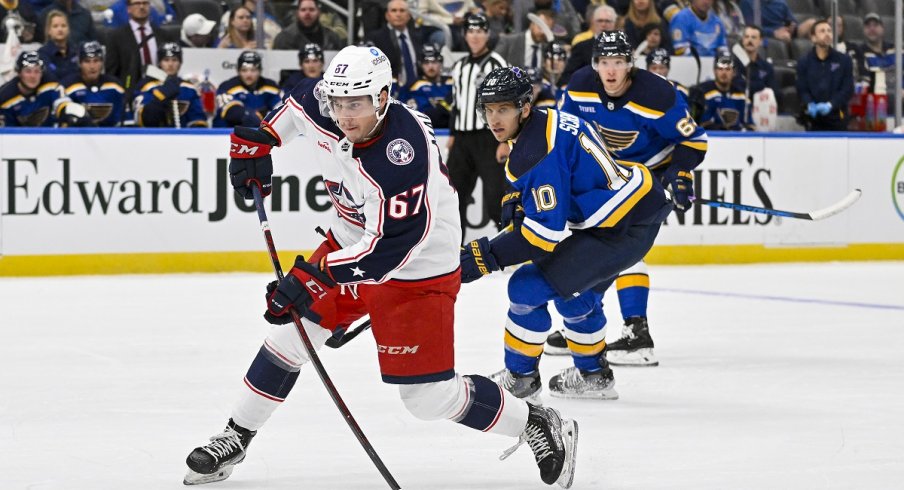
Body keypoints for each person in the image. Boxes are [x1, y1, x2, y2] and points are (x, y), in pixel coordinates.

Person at [183, 45, 579, 489]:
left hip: (417, 269)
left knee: (427, 398)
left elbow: (389, 250)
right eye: (338, 103)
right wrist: (263, 139)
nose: (345, 116)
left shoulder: (402, 153)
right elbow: (296, 107)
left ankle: (534, 422)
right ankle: (236, 435)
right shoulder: (325, 101)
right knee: (288, 336)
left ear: (383, 96)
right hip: (350, 245)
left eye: (357, 105)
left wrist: (314, 278)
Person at [460, 66, 672, 401]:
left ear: (524, 108)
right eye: (488, 110)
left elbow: (543, 236)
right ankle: (594, 376)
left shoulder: (533, 151)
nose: (494, 119)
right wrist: (521, 198)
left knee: (525, 288)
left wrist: (483, 258)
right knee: (575, 295)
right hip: (636, 211)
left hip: (616, 229)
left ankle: (521, 377)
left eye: (503, 109)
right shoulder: (548, 119)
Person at [549, 31, 707, 366]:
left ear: (629, 65)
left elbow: (694, 141)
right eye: (604, 62)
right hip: (610, 177)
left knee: (622, 247)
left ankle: (636, 333)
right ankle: (585, 324)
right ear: (595, 64)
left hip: (648, 179)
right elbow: (564, 133)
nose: (610, 71)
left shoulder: (657, 93)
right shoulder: (579, 85)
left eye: (618, 62)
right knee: (596, 248)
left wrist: (679, 173)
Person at [447, 13, 509, 240]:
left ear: (487, 34)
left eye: (480, 31)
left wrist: (504, 140)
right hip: (462, 139)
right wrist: (453, 134)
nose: (475, 36)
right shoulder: (459, 66)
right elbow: (457, 103)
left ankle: (509, 244)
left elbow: (507, 105)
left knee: (496, 195)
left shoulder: (497, 63)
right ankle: (454, 249)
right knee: (453, 196)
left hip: (489, 138)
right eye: (471, 31)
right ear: (464, 34)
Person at [103, 0, 175, 105]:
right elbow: (111, 71)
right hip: (130, 94)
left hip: (161, 92)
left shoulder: (163, 35)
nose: (141, 7)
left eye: (145, 3)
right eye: (137, 3)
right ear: (128, 8)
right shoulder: (116, 37)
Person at [0, 50, 90, 127]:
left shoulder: (50, 84)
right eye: (28, 71)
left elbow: (62, 103)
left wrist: (69, 114)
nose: (33, 76)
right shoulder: (5, 97)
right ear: (19, 73)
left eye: (37, 71)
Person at [796, 18, 853, 131]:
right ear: (813, 37)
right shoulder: (804, 62)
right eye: (822, 31)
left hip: (838, 118)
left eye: (829, 31)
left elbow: (848, 88)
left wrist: (831, 105)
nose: (827, 34)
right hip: (813, 119)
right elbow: (802, 89)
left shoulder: (844, 60)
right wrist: (809, 103)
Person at [133, 42, 207, 127]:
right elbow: (144, 119)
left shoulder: (189, 88)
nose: (170, 64)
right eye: (166, 60)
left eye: (174, 60)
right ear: (159, 63)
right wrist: (161, 96)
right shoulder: (147, 86)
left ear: (180, 63)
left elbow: (198, 119)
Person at [59, 40, 125, 126]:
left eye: (96, 61)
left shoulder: (115, 87)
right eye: (87, 61)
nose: (92, 66)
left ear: (102, 62)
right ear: (80, 63)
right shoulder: (67, 86)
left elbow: (124, 119)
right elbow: (61, 114)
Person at [212, 50, 281, 128]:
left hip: (259, 133)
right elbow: (233, 113)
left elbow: (281, 110)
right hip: (225, 134)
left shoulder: (271, 86)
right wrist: (259, 115)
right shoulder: (227, 87)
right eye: (244, 70)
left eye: (253, 70)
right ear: (238, 71)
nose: (249, 74)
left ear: (260, 71)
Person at [367, 0, 424, 90]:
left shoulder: (418, 37)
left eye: (402, 10)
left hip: (418, 92)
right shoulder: (375, 38)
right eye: (394, 10)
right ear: (387, 15)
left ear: (409, 15)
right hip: (390, 91)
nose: (398, 14)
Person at [692, 51, 753, 130]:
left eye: (727, 69)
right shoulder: (703, 92)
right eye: (720, 69)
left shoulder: (741, 96)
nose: (724, 73)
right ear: (715, 71)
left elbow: (750, 126)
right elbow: (700, 124)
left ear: (734, 72)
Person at [397, 43, 453, 128]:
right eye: (426, 63)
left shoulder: (452, 83)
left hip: (452, 130)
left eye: (434, 62)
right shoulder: (414, 87)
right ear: (421, 65)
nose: (430, 66)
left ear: (440, 63)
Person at [560, 4, 617, 86]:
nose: (603, 24)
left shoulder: (622, 48)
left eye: (607, 21)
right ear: (593, 22)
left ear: (614, 24)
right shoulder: (581, 47)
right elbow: (567, 76)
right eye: (600, 21)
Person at [272, 0, 342, 51]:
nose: (307, 13)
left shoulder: (332, 38)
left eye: (311, 10)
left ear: (319, 13)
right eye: (303, 10)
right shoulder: (284, 39)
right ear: (297, 13)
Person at [851, 13, 895, 94]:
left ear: (883, 28)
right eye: (868, 26)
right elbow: (864, 82)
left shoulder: (895, 49)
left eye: (875, 25)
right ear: (863, 30)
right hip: (876, 97)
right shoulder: (859, 53)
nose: (872, 29)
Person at [732, 25, 778, 98]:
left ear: (761, 41)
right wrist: (761, 86)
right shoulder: (734, 65)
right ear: (743, 40)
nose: (749, 40)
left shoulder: (766, 67)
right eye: (747, 37)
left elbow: (774, 92)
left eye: (753, 37)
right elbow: (738, 88)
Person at [37, 9, 78, 80]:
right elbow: (52, 75)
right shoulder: (42, 53)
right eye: (55, 26)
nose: (60, 29)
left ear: (68, 29)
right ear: (49, 30)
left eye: (63, 26)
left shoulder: (76, 51)